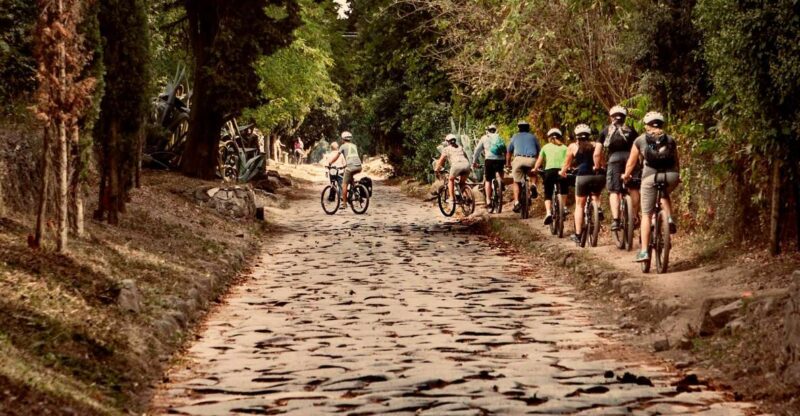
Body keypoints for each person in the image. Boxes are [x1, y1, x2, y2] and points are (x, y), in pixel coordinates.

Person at [622, 112, 680, 262]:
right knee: (664, 194)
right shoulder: (670, 139)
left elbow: (631, 162)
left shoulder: (640, 140)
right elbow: (676, 161)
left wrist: (626, 175)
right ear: (661, 124)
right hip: (671, 176)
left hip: (650, 177)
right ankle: (668, 219)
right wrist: (676, 177)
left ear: (646, 125)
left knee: (646, 214)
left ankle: (644, 252)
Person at [597, 105, 640, 231]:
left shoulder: (605, 131)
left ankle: (616, 220)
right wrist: (639, 163)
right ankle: (634, 216)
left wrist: (601, 164)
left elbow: (597, 153)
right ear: (624, 118)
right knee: (633, 187)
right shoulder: (631, 130)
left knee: (614, 191)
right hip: (631, 159)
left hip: (614, 160)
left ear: (611, 117)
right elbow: (639, 149)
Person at [561, 124, 605, 244]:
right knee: (596, 194)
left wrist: (562, 172)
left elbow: (566, 164)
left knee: (579, 205)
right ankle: (598, 207)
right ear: (589, 135)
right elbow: (601, 161)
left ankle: (578, 234)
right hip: (598, 176)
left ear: (576, 136)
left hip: (582, 177)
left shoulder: (572, 146)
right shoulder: (597, 145)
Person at [534, 128, 568, 225]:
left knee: (548, 192)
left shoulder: (545, 147)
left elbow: (539, 160)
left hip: (549, 172)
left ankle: (548, 213)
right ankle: (564, 207)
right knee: (564, 189)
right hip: (561, 171)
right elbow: (568, 160)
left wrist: (535, 169)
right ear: (560, 137)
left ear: (549, 138)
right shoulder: (565, 147)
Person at [506, 120, 541, 212]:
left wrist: (508, 164)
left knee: (516, 182)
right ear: (528, 128)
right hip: (531, 159)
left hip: (518, 160)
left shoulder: (515, 137)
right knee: (533, 173)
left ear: (519, 128)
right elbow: (539, 152)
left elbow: (509, 152)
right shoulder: (533, 137)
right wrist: (538, 163)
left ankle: (517, 202)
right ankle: (533, 185)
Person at [472, 124, 506, 213]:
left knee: (488, 180)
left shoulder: (484, 138)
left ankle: (488, 200)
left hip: (489, 159)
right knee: (500, 170)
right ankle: (501, 181)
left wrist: (474, 161)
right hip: (500, 160)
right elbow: (505, 149)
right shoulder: (499, 137)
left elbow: (477, 150)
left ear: (487, 130)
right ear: (495, 130)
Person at [327, 132, 362, 208]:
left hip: (350, 167)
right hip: (359, 166)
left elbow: (336, 156)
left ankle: (344, 204)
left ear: (343, 139)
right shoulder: (354, 146)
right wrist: (345, 165)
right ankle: (356, 193)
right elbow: (352, 157)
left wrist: (330, 162)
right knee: (351, 178)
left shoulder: (342, 146)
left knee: (344, 184)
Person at [434, 134, 472, 204]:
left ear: (447, 142)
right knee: (462, 183)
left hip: (456, 165)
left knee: (451, 180)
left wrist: (436, 169)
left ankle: (452, 198)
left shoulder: (446, 149)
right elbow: (466, 157)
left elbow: (441, 160)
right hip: (466, 165)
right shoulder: (461, 147)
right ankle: (466, 197)